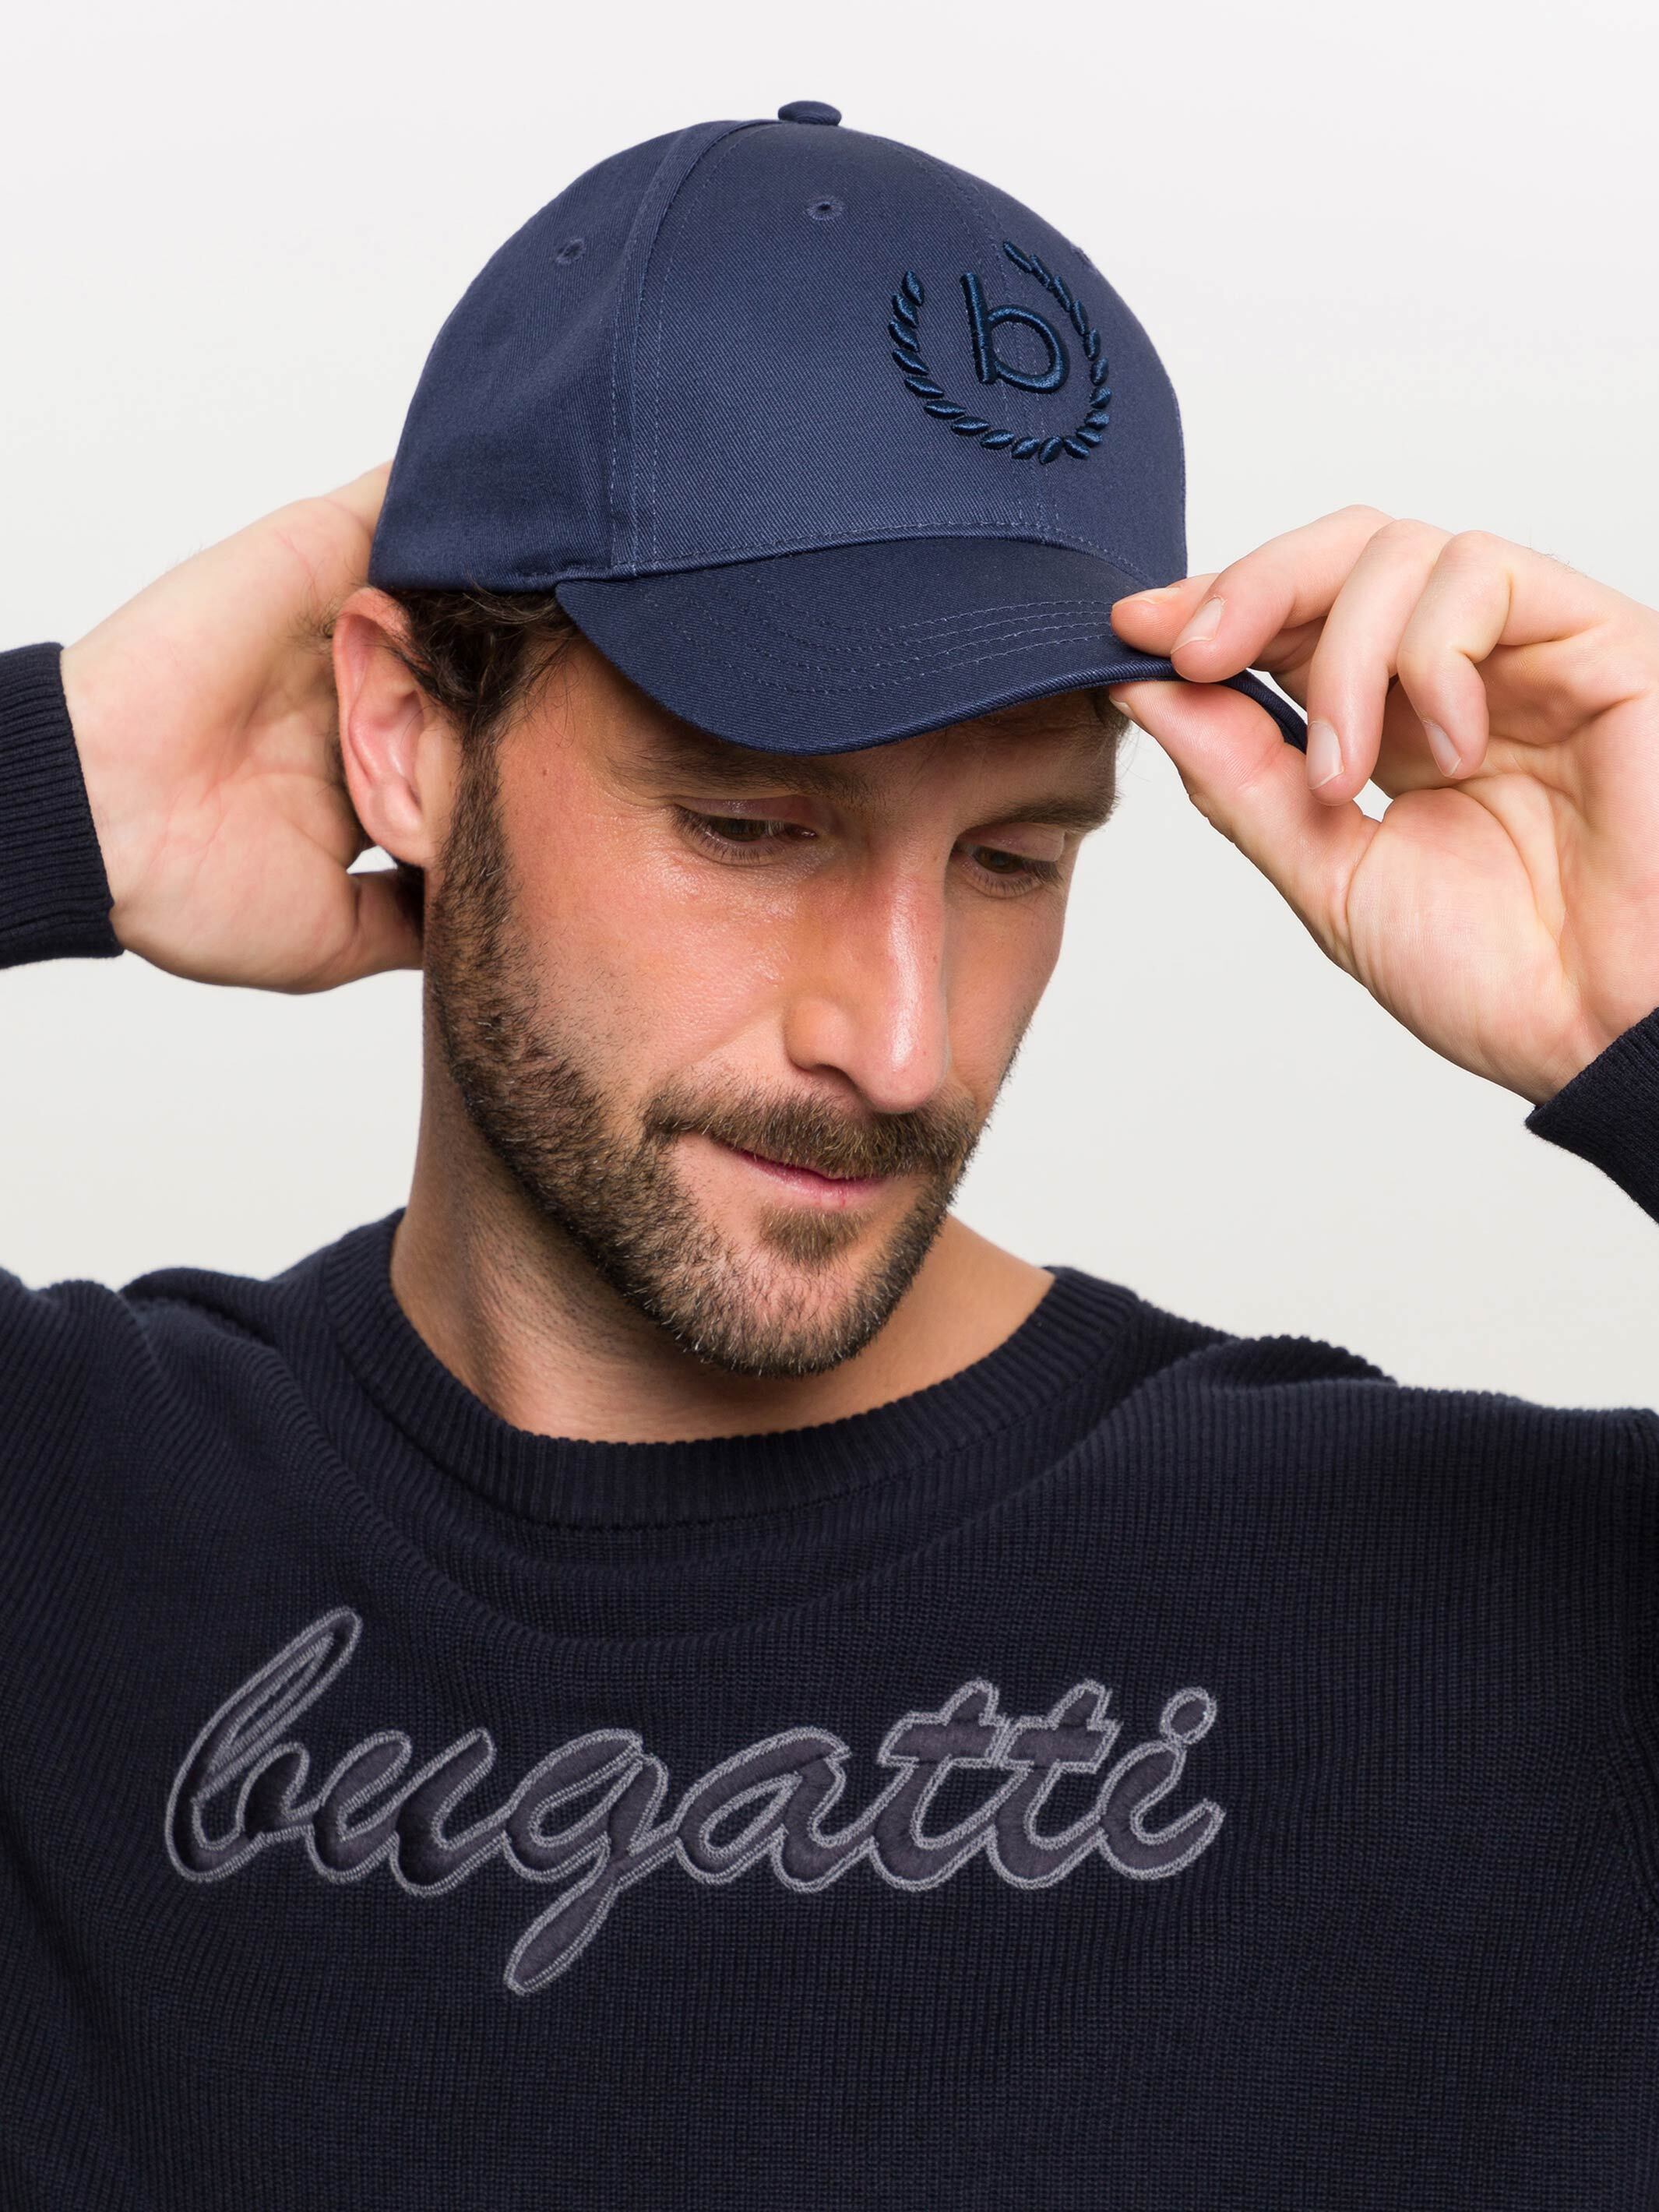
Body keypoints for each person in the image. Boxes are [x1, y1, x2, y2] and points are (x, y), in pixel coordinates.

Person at [2, 101, 1656, 2210]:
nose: (898, 1043)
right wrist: (44, 788)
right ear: (407, 737)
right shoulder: (59, 1528)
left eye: (1013, 857)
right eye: (751, 827)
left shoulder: (1476, 1637)